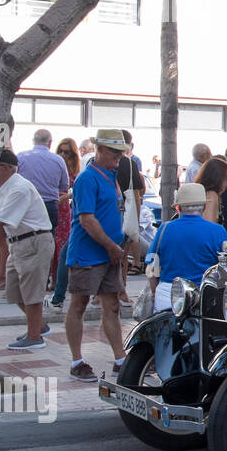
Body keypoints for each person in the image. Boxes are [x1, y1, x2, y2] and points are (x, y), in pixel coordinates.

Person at [64, 128, 132, 382]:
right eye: (115, 152)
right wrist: (110, 246)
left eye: (121, 152)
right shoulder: (87, 178)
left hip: (107, 254)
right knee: (79, 305)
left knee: (111, 305)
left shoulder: (109, 174)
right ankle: (76, 361)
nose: (120, 157)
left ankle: (120, 358)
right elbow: (87, 220)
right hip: (89, 254)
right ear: (100, 150)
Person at [0, 150, 55, 350]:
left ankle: (35, 337)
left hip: (34, 241)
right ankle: (39, 326)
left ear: (6, 167)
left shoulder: (19, 188)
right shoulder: (1, 188)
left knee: (31, 292)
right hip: (17, 242)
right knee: (14, 291)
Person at [145, 183, 227, 312]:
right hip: (203, 296)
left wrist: (155, 293)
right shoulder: (217, 231)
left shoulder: (164, 229)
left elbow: (151, 268)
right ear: (204, 206)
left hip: (167, 295)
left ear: (178, 208)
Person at [16, 128, 71, 241]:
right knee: (48, 242)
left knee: (23, 240)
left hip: (25, 205)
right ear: (50, 142)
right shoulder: (58, 160)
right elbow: (64, 186)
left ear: (33, 141)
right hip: (49, 206)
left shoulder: (20, 157)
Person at [116, 128, 146, 304]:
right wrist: (137, 214)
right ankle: (122, 291)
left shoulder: (93, 162)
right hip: (124, 213)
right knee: (123, 255)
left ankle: (100, 295)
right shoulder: (129, 163)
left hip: (105, 213)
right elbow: (137, 192)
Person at [50, 137, 81, 290]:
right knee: (51, 244)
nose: (62, 154)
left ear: (72, 154)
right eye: (60, 151)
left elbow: (77, 189)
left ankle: (59, 280)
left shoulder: (74, 169)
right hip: (53, 204)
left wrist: (65, 197)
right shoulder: (55, 164)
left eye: (66, 152)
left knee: (62, 244)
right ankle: (53, 278)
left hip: (63, 208)